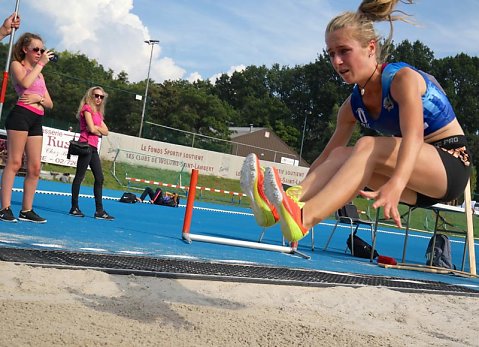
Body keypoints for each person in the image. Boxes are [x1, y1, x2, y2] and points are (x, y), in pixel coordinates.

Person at [241, 0, 471, 243]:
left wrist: (397, 182)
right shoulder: (351, 107)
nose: (336, 62)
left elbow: (412, 136)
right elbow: (326, 158)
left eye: (344, 51)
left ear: (370, 48)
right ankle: (283, 208)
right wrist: (299, 192)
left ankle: (304, 218)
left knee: (367, 145)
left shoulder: (401, 79)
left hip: (450, 166)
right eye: (331, 54)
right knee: (340, 155)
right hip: (415, 180)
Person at [0, 33, 54, 223]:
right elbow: (24, 83)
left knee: (34, 167)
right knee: (14, 162)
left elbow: (49, 103)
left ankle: (26, 210)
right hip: (20, 116)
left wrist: (38, 98)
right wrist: (41, 64)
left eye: (42, 50)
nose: (40, 53)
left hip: (36, 119)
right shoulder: (18, 65)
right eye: (36, 50)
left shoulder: (40, 74)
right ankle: (5, 208)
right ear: (25, 50)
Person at [69, 86, 114, 220]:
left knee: (99, 178)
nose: (99, 98)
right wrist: (97, 129)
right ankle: (74, 207)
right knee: (80, 176)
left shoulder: (98, 114)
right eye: (96, 95)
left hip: (93, 148)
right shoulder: (87, 108)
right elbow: (91, 129)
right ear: (90, 96)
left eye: (101, 96)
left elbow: (106, 132)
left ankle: (99, 211)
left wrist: (97, 128)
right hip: (85, 145)